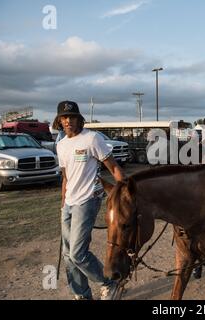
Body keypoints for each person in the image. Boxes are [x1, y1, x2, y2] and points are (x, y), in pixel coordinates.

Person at [55, 100, 125, 300]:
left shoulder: (92, 139)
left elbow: (114, 168)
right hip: (68, 203)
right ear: (59, 120)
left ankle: (110, 283)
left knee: (78, 253)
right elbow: (65, 177)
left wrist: (127, 192)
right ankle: (83, 295)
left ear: (79, 119)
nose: (68, 121)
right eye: (64, 117)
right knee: (68, 257)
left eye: (72, 117)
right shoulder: (60, 145)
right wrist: (62, 205)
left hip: (88, 200)